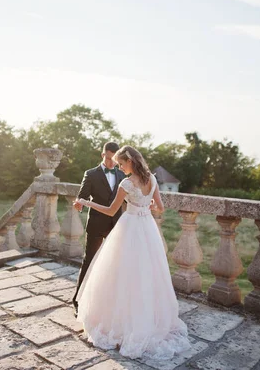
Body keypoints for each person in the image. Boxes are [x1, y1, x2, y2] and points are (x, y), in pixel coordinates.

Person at [74, 145, 191, 360]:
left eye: (121, 163)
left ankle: (122, 322)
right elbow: (161, 208)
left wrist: (86, 202)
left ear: (130, 162)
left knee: (122, 273)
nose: (119, 167)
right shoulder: (153, 179)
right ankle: (146, 317)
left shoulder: (126, 183)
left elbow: (110, 210)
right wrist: (147, 205)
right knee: (147, 273)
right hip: (147, 228)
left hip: (129, 228)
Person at [71, 142, 126, 315]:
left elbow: (124, 199)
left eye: (114, 160)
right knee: (89, 261)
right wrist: (79, 204)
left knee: (112, 264)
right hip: (96, 224)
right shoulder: (91, 174)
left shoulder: (121, 174)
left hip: (116, 225)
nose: (112, 163)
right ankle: (78, 300)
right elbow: (82, 196)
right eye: (109, 159)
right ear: (103, 155)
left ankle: (105, 302)